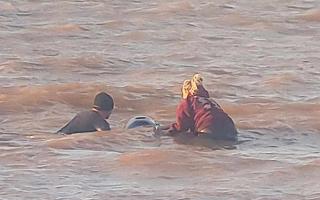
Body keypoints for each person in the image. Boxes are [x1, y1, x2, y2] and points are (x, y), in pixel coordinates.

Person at [158, 74, 238, 141]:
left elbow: (181, 127)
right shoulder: (211, 101)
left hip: (209, 131)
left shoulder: (188, 101)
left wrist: (162, 133)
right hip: (231, 130)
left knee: (183, 139)